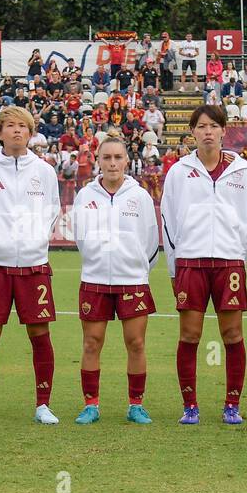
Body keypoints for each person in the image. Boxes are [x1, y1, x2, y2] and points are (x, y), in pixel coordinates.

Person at [0, 106, 62, 425]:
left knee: (40, 331)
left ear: (31, 131)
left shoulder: (45, 171)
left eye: (23, 125)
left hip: (34, 262)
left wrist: (34, 238)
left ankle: (43, 405)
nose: (17, 131)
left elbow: (52, 210)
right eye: (10, 126)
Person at [161, 104, 247, 425]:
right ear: (192, 132)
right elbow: (168, 222)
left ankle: (232, 404)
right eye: (201, 126)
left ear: (223, 130)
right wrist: (174, 268)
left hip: (229, 263)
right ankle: (190, 406)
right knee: (189, 335)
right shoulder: (178, 171)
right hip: (191, 262)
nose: (208, 132)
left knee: (232, 334)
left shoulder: (240, 170)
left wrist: (240, 261)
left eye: (213, 126)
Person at [71, 136, 159, 425]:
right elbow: (82, 239)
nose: (112, 163)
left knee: (135, 343)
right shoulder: (86, 195)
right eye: (106, 157)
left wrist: (135, 269)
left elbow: (150, 242)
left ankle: (136, 405)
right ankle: (91, 405)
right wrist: (97, 262)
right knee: (91, 343)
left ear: (126, 161)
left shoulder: (140, 196)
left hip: (132, 279)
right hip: (95, 279)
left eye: (117, 157)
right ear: (98, 160)